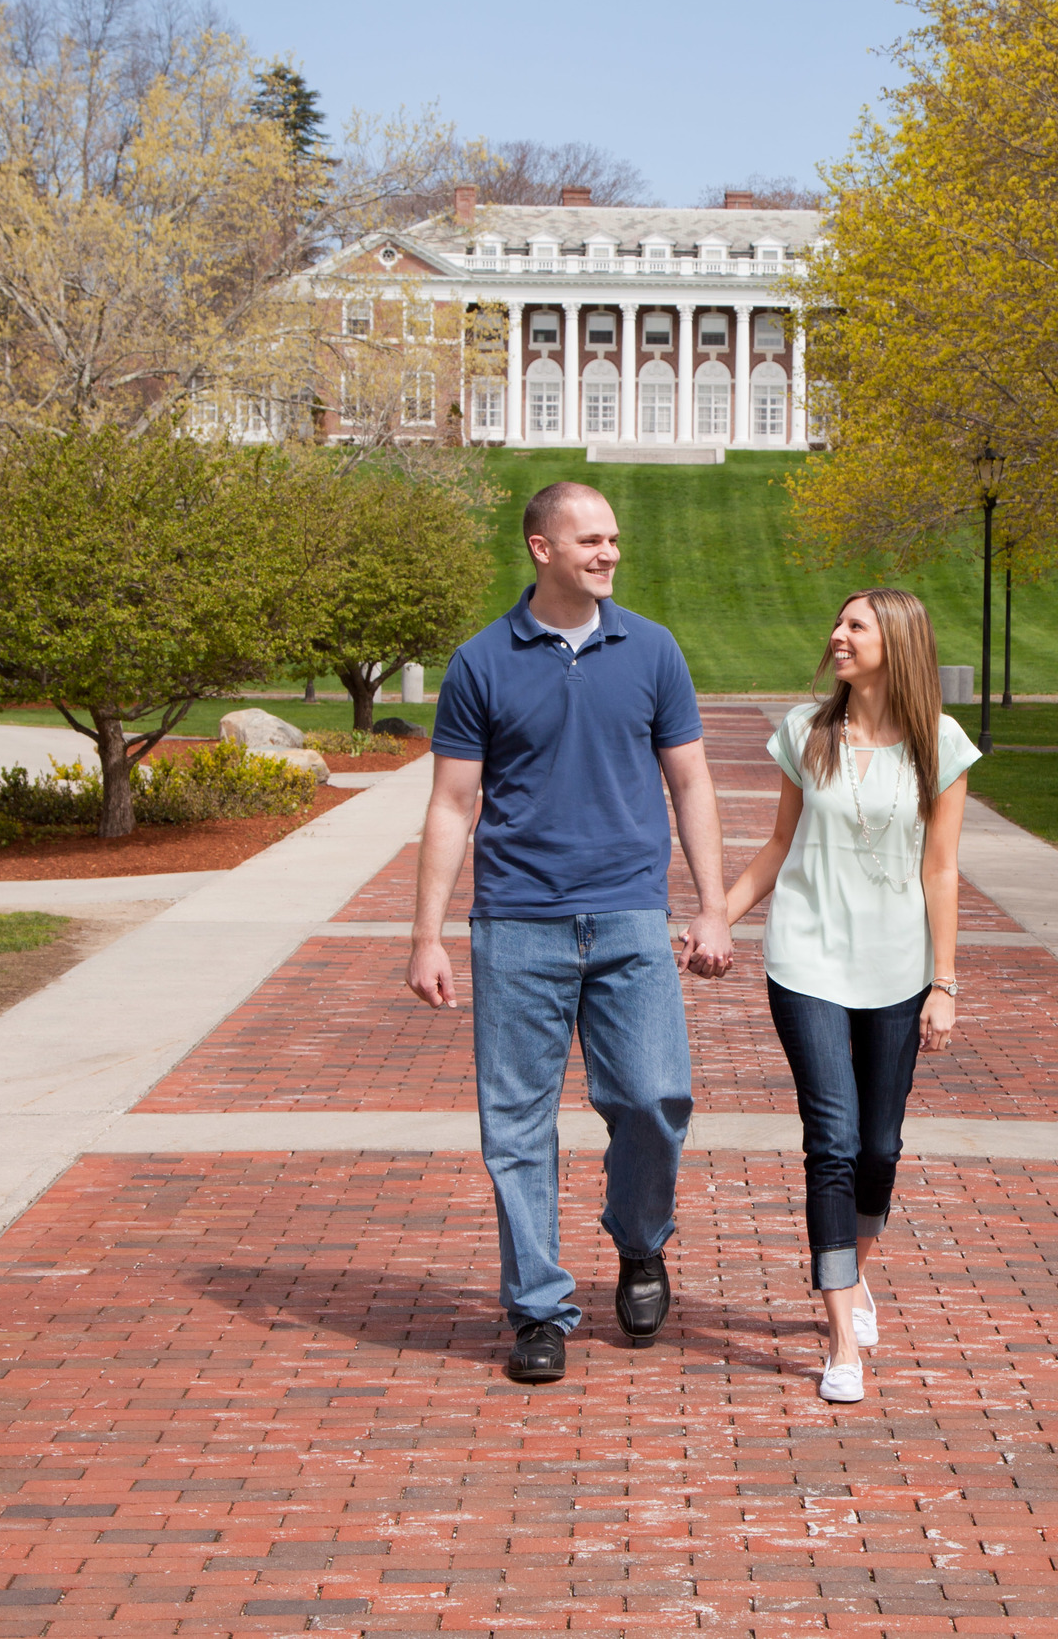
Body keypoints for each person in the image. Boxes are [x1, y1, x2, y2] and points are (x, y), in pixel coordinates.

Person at [406, 481, 734, 1385]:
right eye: (589, 539)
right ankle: (538, 1309)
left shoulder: (653, 650)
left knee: (657, 1099)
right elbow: (451, 804)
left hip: (631, 915)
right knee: (515, 1125)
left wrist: (712, 905)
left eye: (615, 539)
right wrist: (426, 934)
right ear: (541, 549)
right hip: (516, 923)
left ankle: (639, 1241)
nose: (609, 553)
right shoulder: (481, 662)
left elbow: (693, 785)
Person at [717, 588, 976, 1403]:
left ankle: (851, 1270)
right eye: (836, 621)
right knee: (829, 1139)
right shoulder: (806, 733)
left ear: (895, 641)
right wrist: (713, 918)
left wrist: (945, 982)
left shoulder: (941, 744)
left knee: (879, 1146)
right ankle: (840, 1337)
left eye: (855, 626)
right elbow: (777, 844)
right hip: (806, 959)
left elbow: (941, 868)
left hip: (899, 970)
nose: (836, 635)